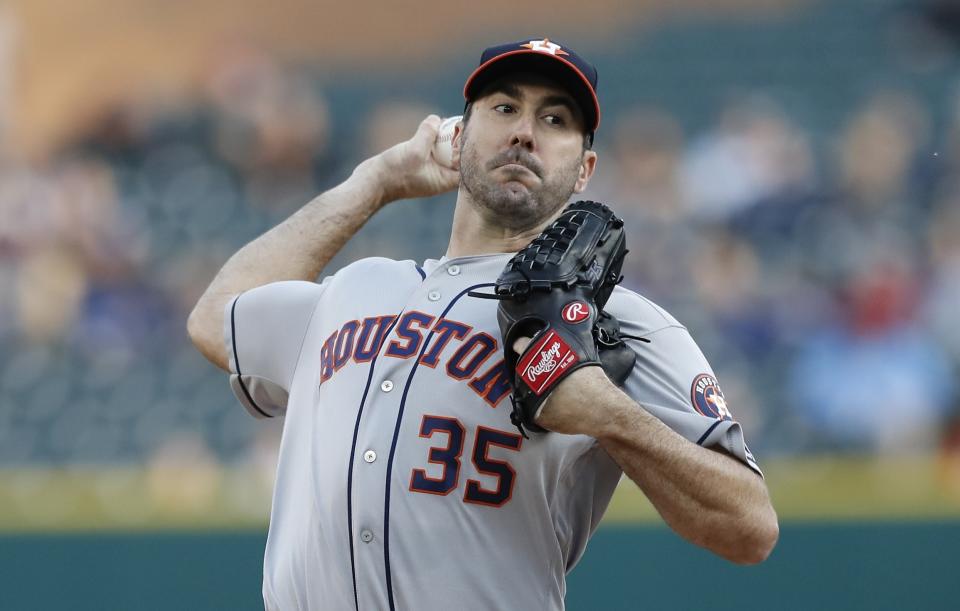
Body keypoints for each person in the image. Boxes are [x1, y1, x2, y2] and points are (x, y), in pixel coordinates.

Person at [188, 38, 778, 611]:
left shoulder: (612, 320)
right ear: (461, 133)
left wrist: (610, 415)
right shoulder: (357, 287)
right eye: (505, 107)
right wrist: (376, 183)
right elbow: (216, 320)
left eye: (555, 120)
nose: (524, 130)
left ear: (584, 169)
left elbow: (749, 526)